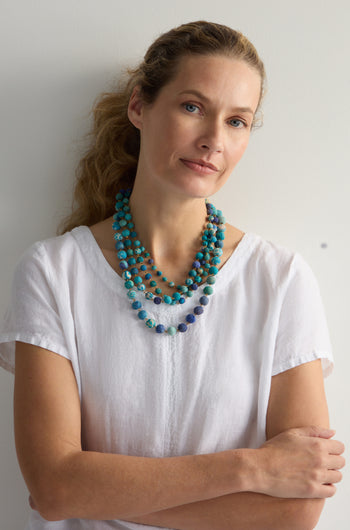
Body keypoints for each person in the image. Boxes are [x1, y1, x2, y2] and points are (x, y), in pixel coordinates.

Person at [0, 20, 345, 530]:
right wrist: (253, 467)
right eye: (193, 107)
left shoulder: (282, 280)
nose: (212, 140)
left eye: (237, 121)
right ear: (139, 106)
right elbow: (53, 487)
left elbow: (295, 509)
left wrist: (97, 492)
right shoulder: (53, 272)